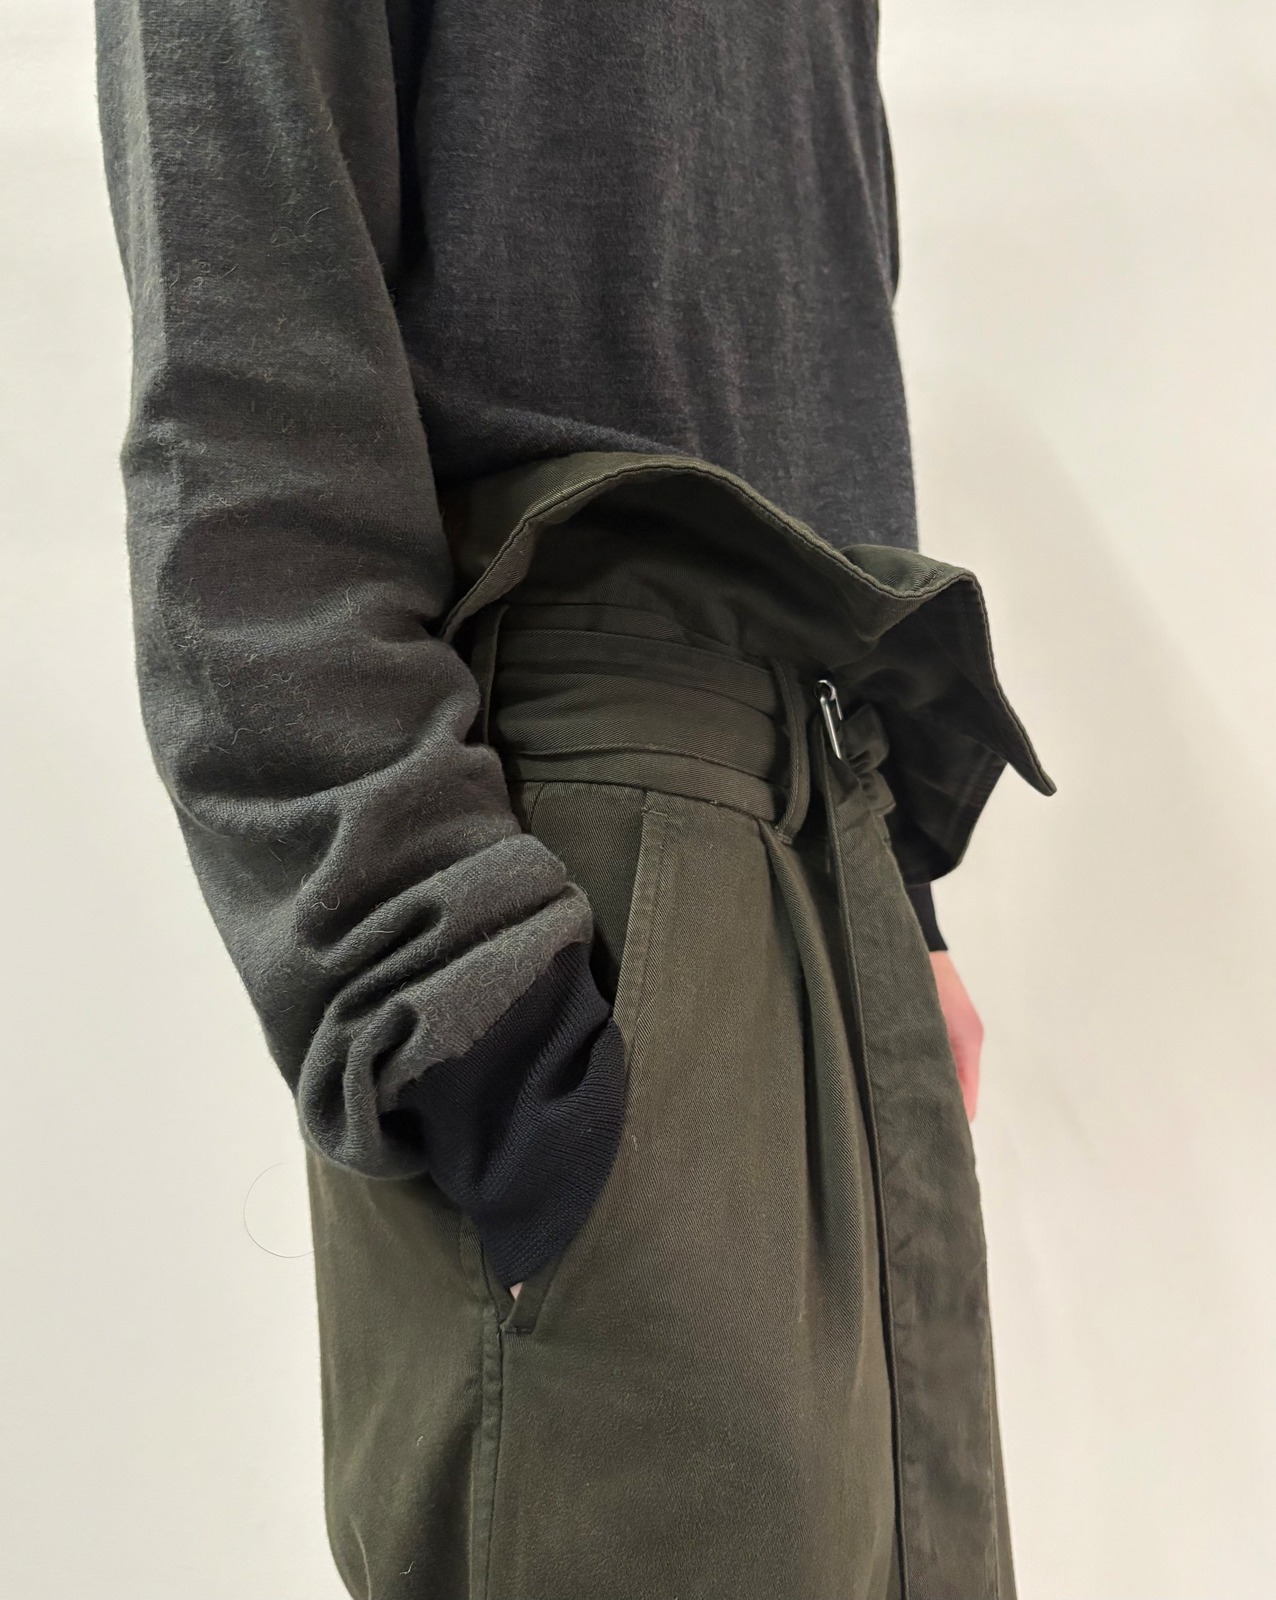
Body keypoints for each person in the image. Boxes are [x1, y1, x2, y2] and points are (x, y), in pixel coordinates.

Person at [94, 2, 1055, 1596]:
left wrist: (904, 903)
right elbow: (238, 372)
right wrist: (461, 998)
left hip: (833, 833)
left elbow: (794, 307)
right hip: (577, 857)